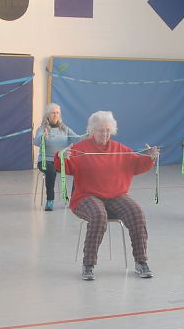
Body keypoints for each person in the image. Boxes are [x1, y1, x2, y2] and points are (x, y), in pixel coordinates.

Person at [57, 111, 159, 281]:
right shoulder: (79, 149)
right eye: (100, 130)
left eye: (107, 130)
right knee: (98, 215)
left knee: (136, 213)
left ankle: (141, 262)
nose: (104, 134)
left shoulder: (120, 149)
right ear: (91, 131)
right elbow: (63, 167)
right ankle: (88, 264)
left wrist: (150, 157)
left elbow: (137, 164)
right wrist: (61, 157)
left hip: (115, 196)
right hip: (85, 197)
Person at [33, 103, 81, 211]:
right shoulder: (42, 128)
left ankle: (73, 199)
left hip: (61, 160)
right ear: (48, 115)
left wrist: (87, 136)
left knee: (78, 169)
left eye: (57, 113)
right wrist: (43, 137)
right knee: (50, 171)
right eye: (53, 113)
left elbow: (77, 139)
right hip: (46, 161)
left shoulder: (65, 129)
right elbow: (35, 142)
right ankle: (50, 200)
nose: (55, 115)